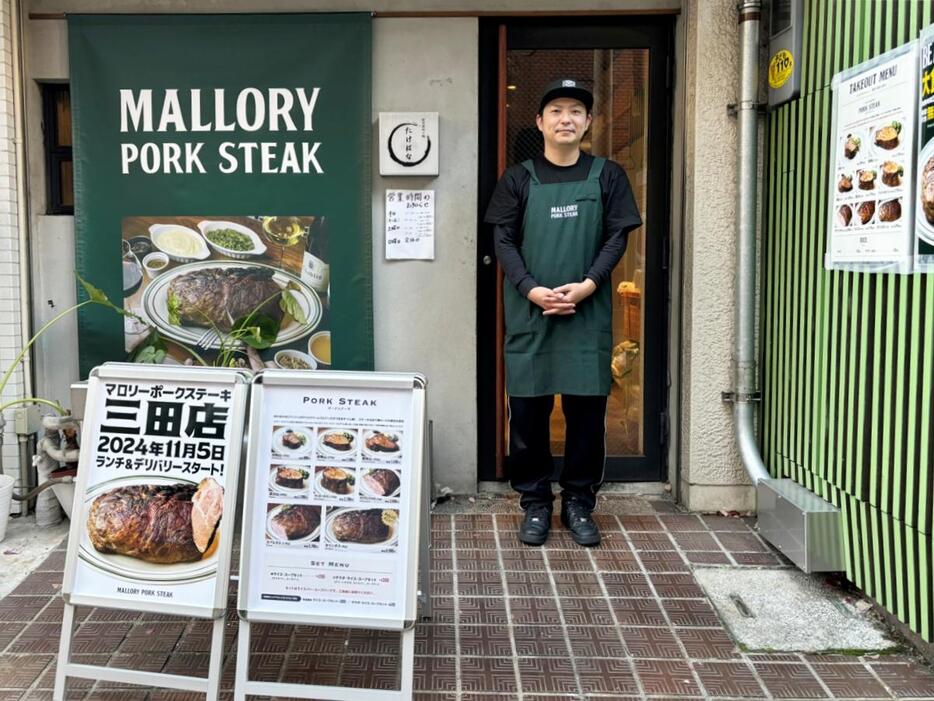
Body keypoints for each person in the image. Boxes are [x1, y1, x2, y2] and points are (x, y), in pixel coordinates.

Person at [484, 79, 642, 547]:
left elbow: (618, 236)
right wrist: (531, 289)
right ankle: (534, 504)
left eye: (576, 111)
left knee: (587, 415)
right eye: (556, 111)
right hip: (530, 313)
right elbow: (503, 241)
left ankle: (578, 502)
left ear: (588, 122)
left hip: (585, 314)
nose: (566, 118)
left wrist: (589, 284)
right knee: (528, 415)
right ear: (540, 122)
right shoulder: (518, 178)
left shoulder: (607, 175)